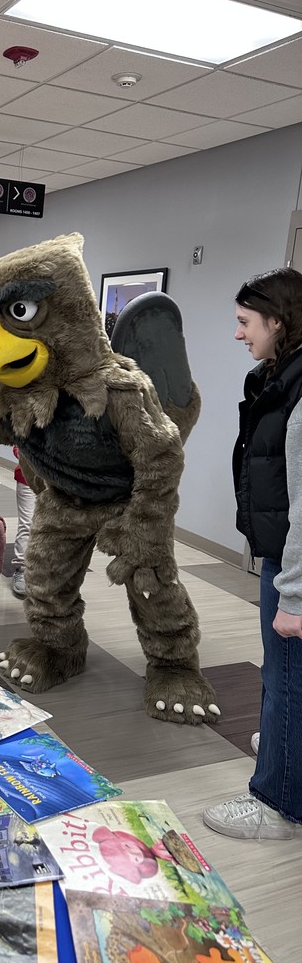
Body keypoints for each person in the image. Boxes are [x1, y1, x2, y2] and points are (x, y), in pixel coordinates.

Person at [203, 267, 302, 840]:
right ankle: (289, 751)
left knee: (286, 677)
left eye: (245, 322)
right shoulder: (281, 379)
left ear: (278, 322)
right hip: (282, 555)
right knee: (288, 681)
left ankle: (277, 802)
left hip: (294, 566)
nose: (238, 334)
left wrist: (293, 592)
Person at [11, 446, 35, 597]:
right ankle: (22, 569)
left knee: (54, 527)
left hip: (56, 480)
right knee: (27, 524)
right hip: (28, 477)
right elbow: (17, 447)